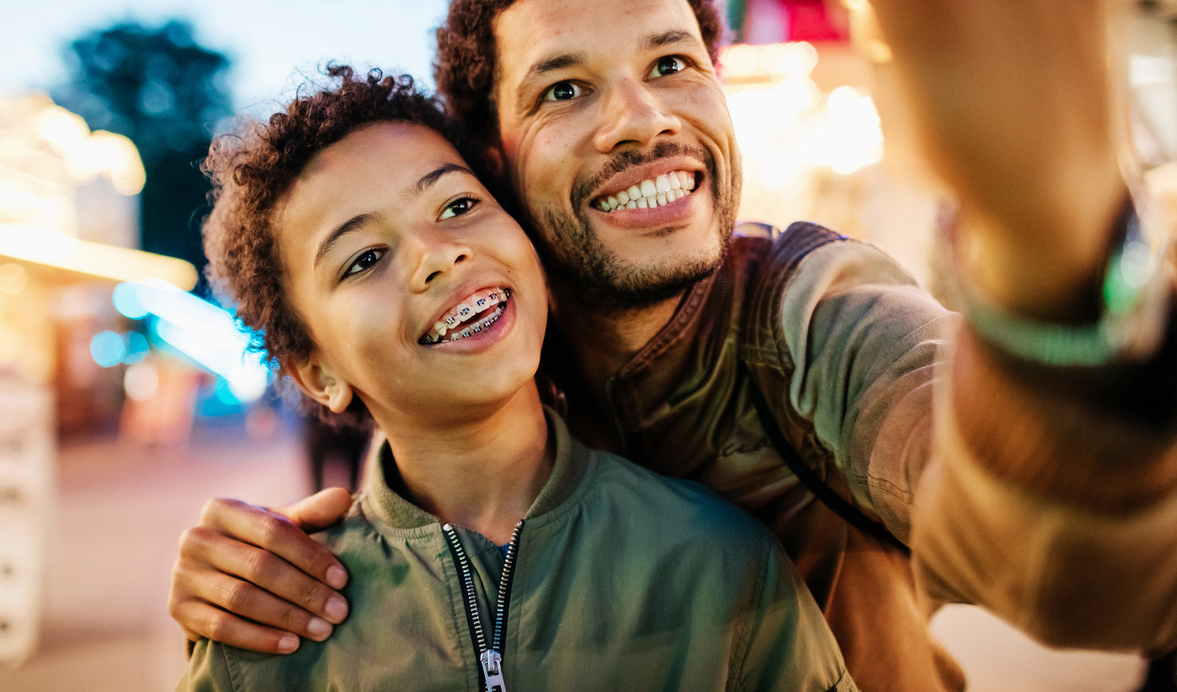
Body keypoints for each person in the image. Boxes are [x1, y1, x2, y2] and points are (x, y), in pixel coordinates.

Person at [170, 0, 1177, 691]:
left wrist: (1055, 242)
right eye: (565, 89)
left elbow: (1083, 569)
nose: (642, 119)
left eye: (672, 62)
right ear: (494, 161)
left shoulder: (810, 315)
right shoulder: (497, 357)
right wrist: (250, 573)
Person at [177, 66, 857, 692]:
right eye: (365, 258)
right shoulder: (270, 626)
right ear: (317, 370)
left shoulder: (719, 566)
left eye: (456, 206)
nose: (438, 256)